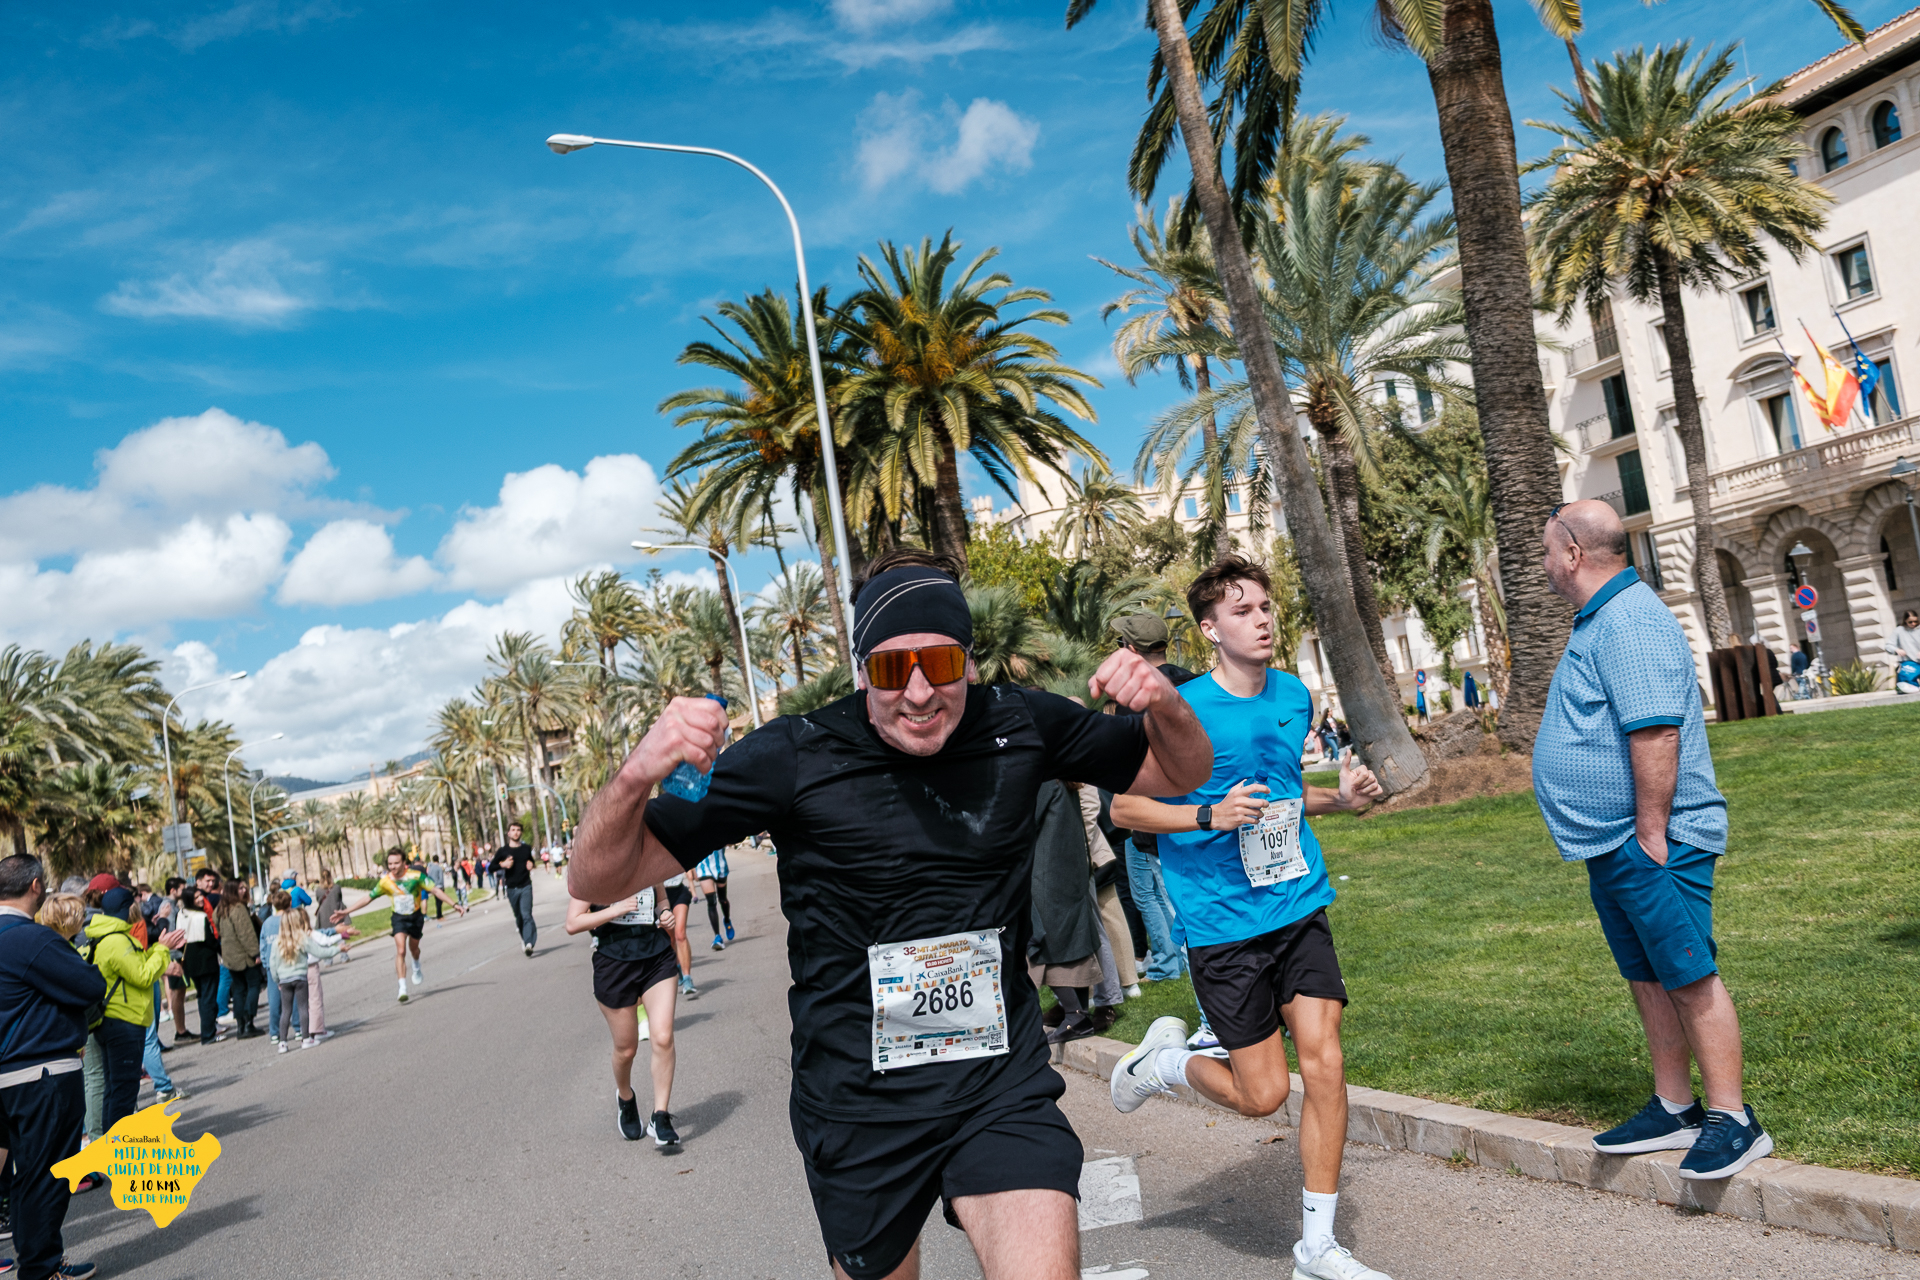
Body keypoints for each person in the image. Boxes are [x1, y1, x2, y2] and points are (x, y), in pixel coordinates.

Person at [567, 547, 1210, 1280]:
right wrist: (635, 773)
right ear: (859, 666)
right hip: (858, 1104)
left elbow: (1181, 772)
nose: (916, 694)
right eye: (887, 669)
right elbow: (595, 875)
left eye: (937, 664)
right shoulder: (796, 755)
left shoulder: (1020, 722)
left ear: (968, 661)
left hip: (995, 1084)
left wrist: (1164, 700)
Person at [1109, 554, 1389, 1280]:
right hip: (1224, 922)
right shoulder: (1183, 708)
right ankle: (1166, 1063)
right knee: (1263, 1095)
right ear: (1209, 629)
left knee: (1325, 1062)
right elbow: (1124, 808)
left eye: (1265, 607)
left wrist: (1344, 799)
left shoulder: (1293, 694)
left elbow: (1285, 797)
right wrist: (1207, 812)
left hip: (1297, 901)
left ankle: (1317, 1248)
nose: (1261, 620)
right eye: (1242, 611)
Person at [1536, 499, 1767, 1180]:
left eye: (1548, 549)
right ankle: (1675, 1106)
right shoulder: (1601, 619)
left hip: (1652, 840)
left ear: (1574, 553)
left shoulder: (1630, 621)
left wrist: (1651, 832)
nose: (1545, 563)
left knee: (1689, 973)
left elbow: (1656, 731)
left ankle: (1734, 1118)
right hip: (1612, 843)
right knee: (1647, 973)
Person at [0, 855, 108, 1280]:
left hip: (10, 1072)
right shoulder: (29, 937)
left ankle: (38, 1263)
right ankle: (42, 1269)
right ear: (36, 886)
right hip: (42, 1069)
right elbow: (90, 985)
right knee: (48, 1175)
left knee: (24, 1177)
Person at [564, 883, 683, 1148]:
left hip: (656, 955)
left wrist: (665, 913)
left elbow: (661, 898)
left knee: (663, 1037)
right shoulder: (595, 868)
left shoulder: (646, 857)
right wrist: (614, 910)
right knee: (626, 1049)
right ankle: (626, 1097)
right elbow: (572, 923)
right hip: (613, 961)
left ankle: (660, 1116)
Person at [1110, 613, 1193, 986]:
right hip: (1202, 815)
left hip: (1158, 821)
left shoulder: (1136, 696)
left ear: (1130, 649)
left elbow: (1133, 763)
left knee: (1183, 916)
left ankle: (1215, 1021)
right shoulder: (1195, 683)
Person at [82, 887, 185, 1134]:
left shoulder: (107, 936)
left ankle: (110, 1148)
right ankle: (115, 1153)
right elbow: (142, 975)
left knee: (115, 1090)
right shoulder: (116, 940)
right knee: (123, 1092)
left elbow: (134, 967)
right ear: (130, 908)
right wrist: (162, 949)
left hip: (115, 1022)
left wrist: (157, 951)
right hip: (123, 1022)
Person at [374, 849, 466, 1003]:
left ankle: (416, 963)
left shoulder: (416, 876)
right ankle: (402, 988)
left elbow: (435, 890)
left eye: (396, 863)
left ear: (404, 863)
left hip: (415, 917)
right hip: (398, 918)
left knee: (413, 949)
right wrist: (346, 911)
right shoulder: (386, 881)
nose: (393, 866)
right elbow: (368, 898)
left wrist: (454, 904)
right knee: (401, 950)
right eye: (390, 863)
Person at [268, 901, 342, 1051]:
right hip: (300, 977)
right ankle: (306, 1038)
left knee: (286, 1010)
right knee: (303, 1008)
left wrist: (277, 980)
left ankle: (282, 1042)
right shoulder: (301, 938)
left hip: (284, 979)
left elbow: (272, 964)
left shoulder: (277, 942)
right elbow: (320, 952)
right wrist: (337, 949)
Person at [213, 879, 266, 1040]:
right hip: (244, 956)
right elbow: (246, 934)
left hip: (229, 956)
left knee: (239, 989)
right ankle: (248, 1021)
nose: (244, 890)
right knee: (253, 986)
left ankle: (241, 1025)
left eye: (244, 887)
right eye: (240, 888)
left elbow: (217, 928)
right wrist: (256, 953)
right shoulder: (238, 909)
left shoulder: (220, 910)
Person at [176, 886, 224, 1045]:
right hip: (206, 960)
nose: (200, 899)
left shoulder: (181, 914)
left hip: (190, 960)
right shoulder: (201, 916)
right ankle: (209, 1033)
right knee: (209, 997)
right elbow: (210, 940)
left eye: (200, 896)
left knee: (202, 996)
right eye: (196, 897)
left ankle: (207, 1031)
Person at [495, 824, 538, 956]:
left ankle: (529, 943)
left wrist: (532, 865)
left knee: (526, 915)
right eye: (513, 830)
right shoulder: (503, 851)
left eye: (518, 830)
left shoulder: (526, 848)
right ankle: (524, 938)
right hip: (512, 889)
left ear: (521, 833)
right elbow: (491, 867)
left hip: (525, 885)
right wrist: (503, 864)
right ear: (508, 833)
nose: (516, 832)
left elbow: (531, 862)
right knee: (519, 917)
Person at [663, 874, 697, 998]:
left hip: (678, 891)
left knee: (680, 934)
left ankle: (687, 978)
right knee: (670, 939)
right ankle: (678, 968)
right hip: (660, 896)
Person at [694, 849, 732, 951]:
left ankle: (727, 920)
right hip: (703, 868)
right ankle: (717, 936)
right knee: (711, 902)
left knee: (723, 899)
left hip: (720, 865)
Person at [1888, 608, 1920, 694]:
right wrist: (1896, 650)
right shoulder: (1899, 631)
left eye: (1916, 621)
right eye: (1910, 622)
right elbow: (1888, 646)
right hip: (1909, 662)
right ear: (1905, 621)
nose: (1913, 624)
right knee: (1906, 677)